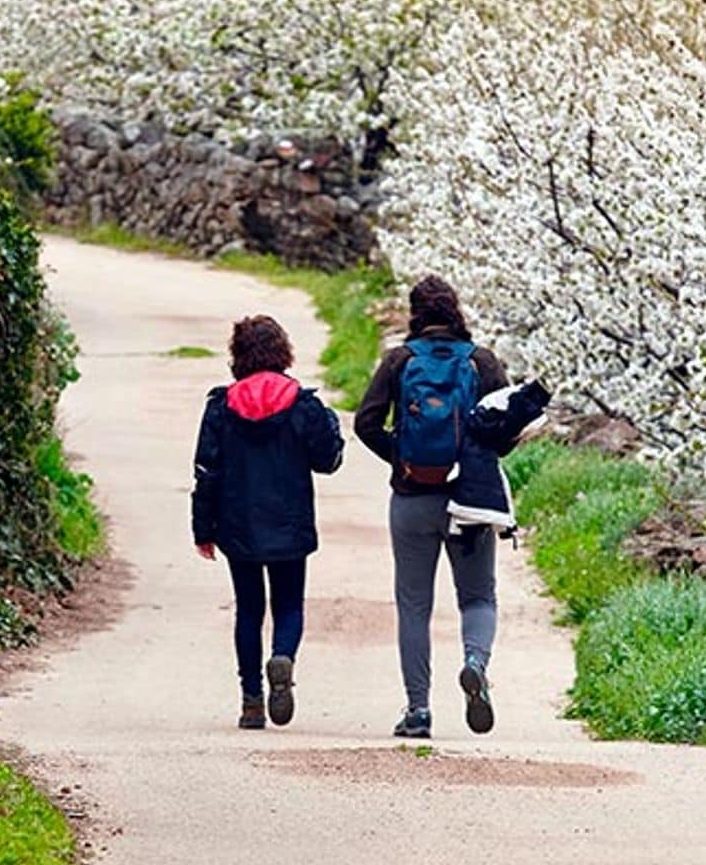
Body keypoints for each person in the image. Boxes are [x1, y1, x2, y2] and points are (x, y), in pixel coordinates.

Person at [355, 275, 508, 740]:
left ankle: (418, 710)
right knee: (478, 597)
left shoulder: (399, 361)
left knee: (414, 606)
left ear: (415, 312)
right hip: (468, 504)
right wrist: (477, 464)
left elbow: (365, 423)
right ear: (456, 310)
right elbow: (508, 425)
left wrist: (401, 457)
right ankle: (474, 663)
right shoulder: (482, 361)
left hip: (412, 498)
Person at [192, 314, 343, 729]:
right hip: (290, 523)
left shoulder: (222, 406)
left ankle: (252, 701)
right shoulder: (302, 403)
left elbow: (206, 471)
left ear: (238, 356)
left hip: (237, 524)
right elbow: (327, 460)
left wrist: (202, 530)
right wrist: (329, 423)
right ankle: (283, 657)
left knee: (249, 610)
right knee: (289, 604)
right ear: (283, 352)